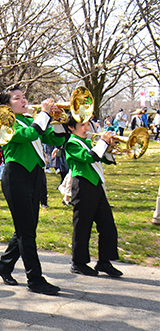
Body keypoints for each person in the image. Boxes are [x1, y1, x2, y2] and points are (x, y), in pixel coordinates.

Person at [0, 87, 65, 295]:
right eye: (17, 98)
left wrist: (58, 120)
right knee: (26, 231)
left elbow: (56, 139)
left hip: (34, 176)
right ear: (7, 105)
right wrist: (44, 114)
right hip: (16, 175)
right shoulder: (4, 121)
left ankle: (4, 266)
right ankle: (35, 279)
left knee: (27, 227)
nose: (24, 100)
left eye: (24, 97)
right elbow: (28, 135)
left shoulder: (29, 119)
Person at [64, 116, 122, 277]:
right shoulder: (71, 144)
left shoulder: (90, 142)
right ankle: (78, 262)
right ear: (71, 128)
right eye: (81, 125)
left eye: (87, 124)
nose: (86, 127)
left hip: (96, 186)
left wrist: (110, 147)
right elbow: (89, 157)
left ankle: (105, 261)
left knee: (108, 225)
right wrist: (102, 143)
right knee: (83, 227)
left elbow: (105, 159)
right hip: (82, 186)